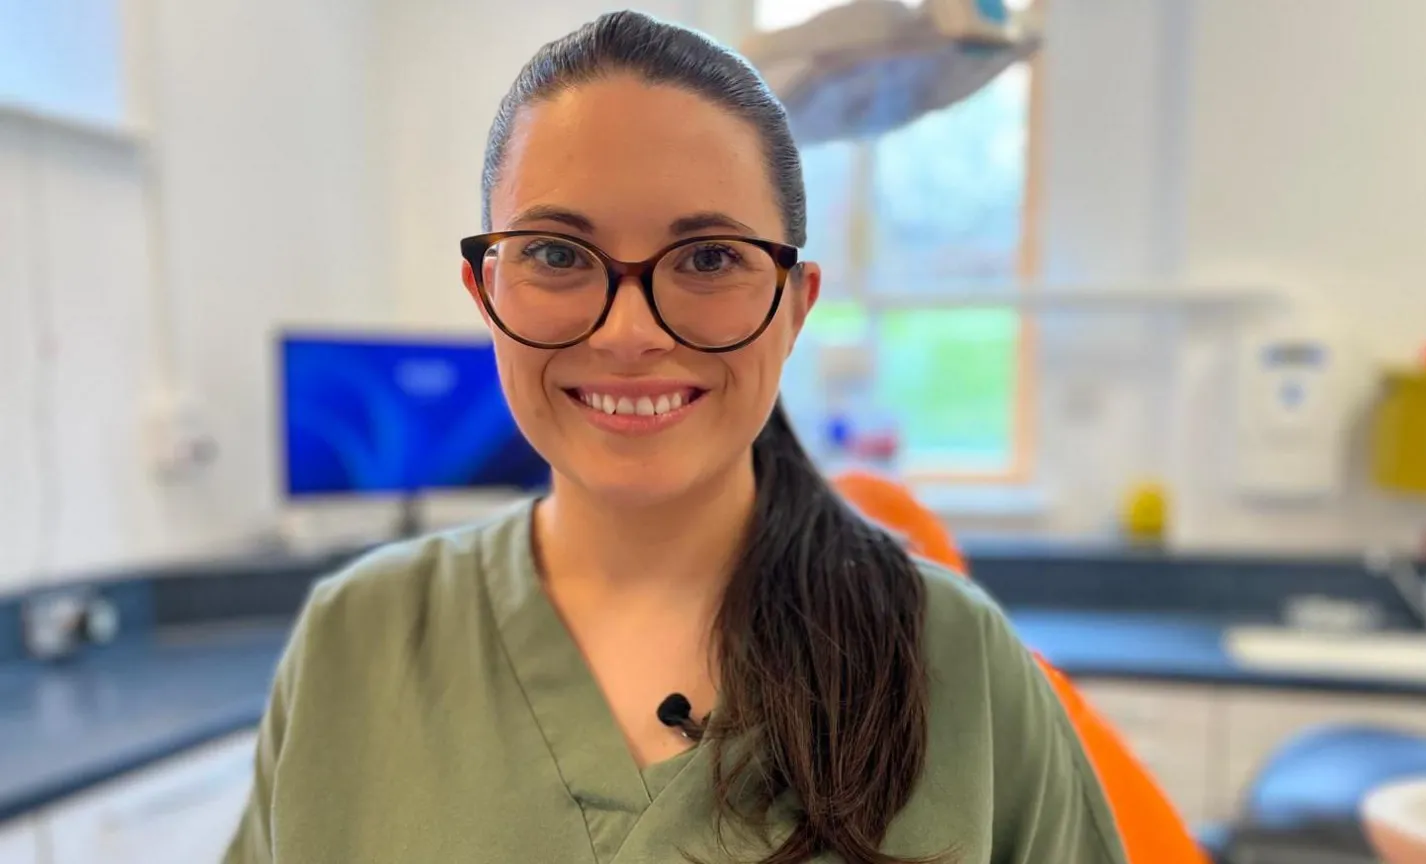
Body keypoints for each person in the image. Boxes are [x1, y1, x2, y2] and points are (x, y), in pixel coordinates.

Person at [224, 11, 1127, 864]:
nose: (627, 333)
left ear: (795, 308)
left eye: (707, 259)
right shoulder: (355, 643)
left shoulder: (957, 663)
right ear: (484, 294)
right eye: (555, 254)